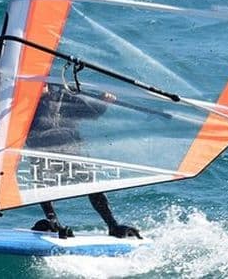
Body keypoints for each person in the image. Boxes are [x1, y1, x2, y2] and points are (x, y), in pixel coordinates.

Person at [25, 83, 141, 239]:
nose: (41, 87)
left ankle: (112, 225)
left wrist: (102, 101)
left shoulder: (62, 95)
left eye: (43, 84)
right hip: (41, 151)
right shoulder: (24, 101)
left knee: (91, 185)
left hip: (70, 148)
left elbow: (89, 112)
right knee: (43, 185)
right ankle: (53, 222)